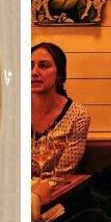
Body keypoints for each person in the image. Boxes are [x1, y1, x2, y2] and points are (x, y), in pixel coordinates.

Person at [31, 42, 91, 186]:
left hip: (55, 194)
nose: (34, 72)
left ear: (59, 74)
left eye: (44, 66)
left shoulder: (78, 115)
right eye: (30, 65)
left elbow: (62, 175)